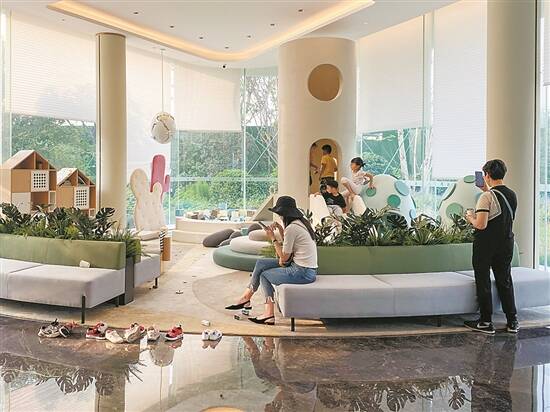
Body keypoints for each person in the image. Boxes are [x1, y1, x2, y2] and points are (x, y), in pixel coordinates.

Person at [225, 196, 318, 325]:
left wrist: (272, 237)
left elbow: (284, 258)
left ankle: (268, 314)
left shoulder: (292, 228)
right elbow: (289, 246)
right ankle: (246, 297)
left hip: (302, 272)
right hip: (304, 269)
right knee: (261, 263)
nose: (279, 217)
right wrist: (280, 229)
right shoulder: (300, 223)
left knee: (265, 275)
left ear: (283, 214)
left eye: (279, 214)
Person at [465, 159, 519, 334]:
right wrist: (486, 190)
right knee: (505, 280)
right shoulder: (512, 194)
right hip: (506, 243)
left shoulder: (486, 197)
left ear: (487, 175)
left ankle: (486, 322)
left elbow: (481, 225)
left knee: (483, 280)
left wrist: (470, 217)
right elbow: (500, 212)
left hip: (486, 245)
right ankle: (512, 321)